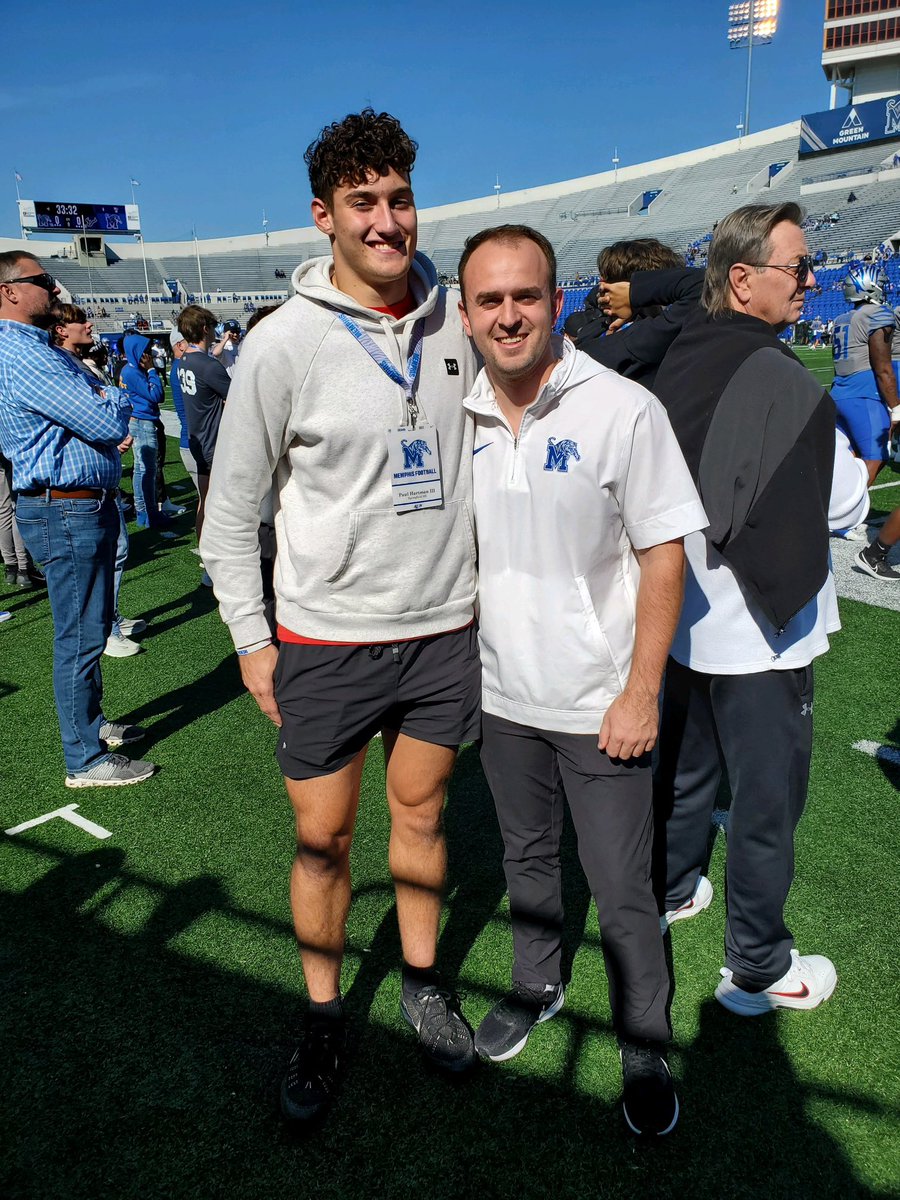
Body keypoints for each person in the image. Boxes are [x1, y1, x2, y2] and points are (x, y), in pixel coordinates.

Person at [200, 108, 481, 1121]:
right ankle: (323, 1014)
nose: (387, 218)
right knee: (323, 843)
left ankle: (419, 980)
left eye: (399, 196)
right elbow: (228, 517)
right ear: (324, 216)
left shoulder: (458, 321)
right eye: (363, 200)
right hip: (326, 640)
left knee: (423, 816)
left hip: (447, 630)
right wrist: (249, 641)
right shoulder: (282, 346)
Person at [457, 225, 706, 1137]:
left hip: (601, 703)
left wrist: (642, 691)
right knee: (526, 859)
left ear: (556, 299)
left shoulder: (620, 407)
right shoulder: (461, 411)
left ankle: (645, 1037)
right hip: (501, 695)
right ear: (467, 312)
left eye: (526, 295)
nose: (509, 315)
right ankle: (537, 986)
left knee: (620, 882)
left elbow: (664, 553)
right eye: (491, 300)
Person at [651, 203, 869, 1016]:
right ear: (742, 280)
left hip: (686, 619)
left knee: (689, 776)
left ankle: (672, 889)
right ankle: (758, 964)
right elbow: (845, 502)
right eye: (797, 268)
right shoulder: (779, 374)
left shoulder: (681, 352)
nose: (809, 283)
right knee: (766, 801)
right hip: (763, 634)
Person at [0, 251, 156, 786]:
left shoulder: (35, 349)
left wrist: (101, 397)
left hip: (73, 502)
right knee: (81, 634)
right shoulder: (24, 354)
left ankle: (89, 729)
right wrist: (109, 396)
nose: (55, 288)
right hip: (64, 504)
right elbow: (104, 419)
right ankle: (84, 758)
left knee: (88, 628)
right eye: (43, 280)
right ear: (10, 291)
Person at [49, 305, 145, 656]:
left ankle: (110, 618)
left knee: (116, 551)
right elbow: (104, 414)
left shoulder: (80, 364)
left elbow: (111, 414)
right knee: (101, 561)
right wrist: (112, 412)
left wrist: (112, 420)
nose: (89, 324)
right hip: (76, 490)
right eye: (79, 320)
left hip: (101, 481)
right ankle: (104, 628)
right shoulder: (58, 367)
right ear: (60, 329)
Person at [175, 306, 231, 574]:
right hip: (215, 443)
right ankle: (218, 564)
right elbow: (238, 400)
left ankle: (208, 563)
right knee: (221, 508)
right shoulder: (207, 365)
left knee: (204, 502)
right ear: (206, 329)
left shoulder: (184, 360)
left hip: (198, 439)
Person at [119, 333, 167, 531]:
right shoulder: (133, 372)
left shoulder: (127, 370)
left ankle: (142, 511)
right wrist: (151, 370)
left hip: (136, 419)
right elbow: (157, 395)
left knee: (140, 469)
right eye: (144, 352)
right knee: (148, 471)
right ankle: (150, 513)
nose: (147, 355)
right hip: (143, 421)